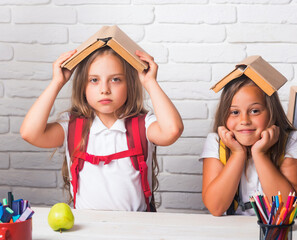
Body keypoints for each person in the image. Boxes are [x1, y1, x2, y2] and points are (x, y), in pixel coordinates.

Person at [20, 46, 183, 211]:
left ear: (130, 84)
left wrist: (150, 82)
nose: (104, 89)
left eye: (116, 79)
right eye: (94, 80)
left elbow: (172, 131)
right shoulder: (72, 126)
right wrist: (57, 82)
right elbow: (29, 133)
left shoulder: (143, 124)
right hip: (87, 230)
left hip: (136, 229)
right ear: (82, 87)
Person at [201, 76, 297, 216]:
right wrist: (237, 154)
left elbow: (287, 211)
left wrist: (260, 154)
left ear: (271, 111)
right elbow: (216, 208)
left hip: (284, 229)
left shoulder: (294, 140)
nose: (244, 121)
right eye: (235, 112)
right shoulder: (217, 142)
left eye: (254, 111)